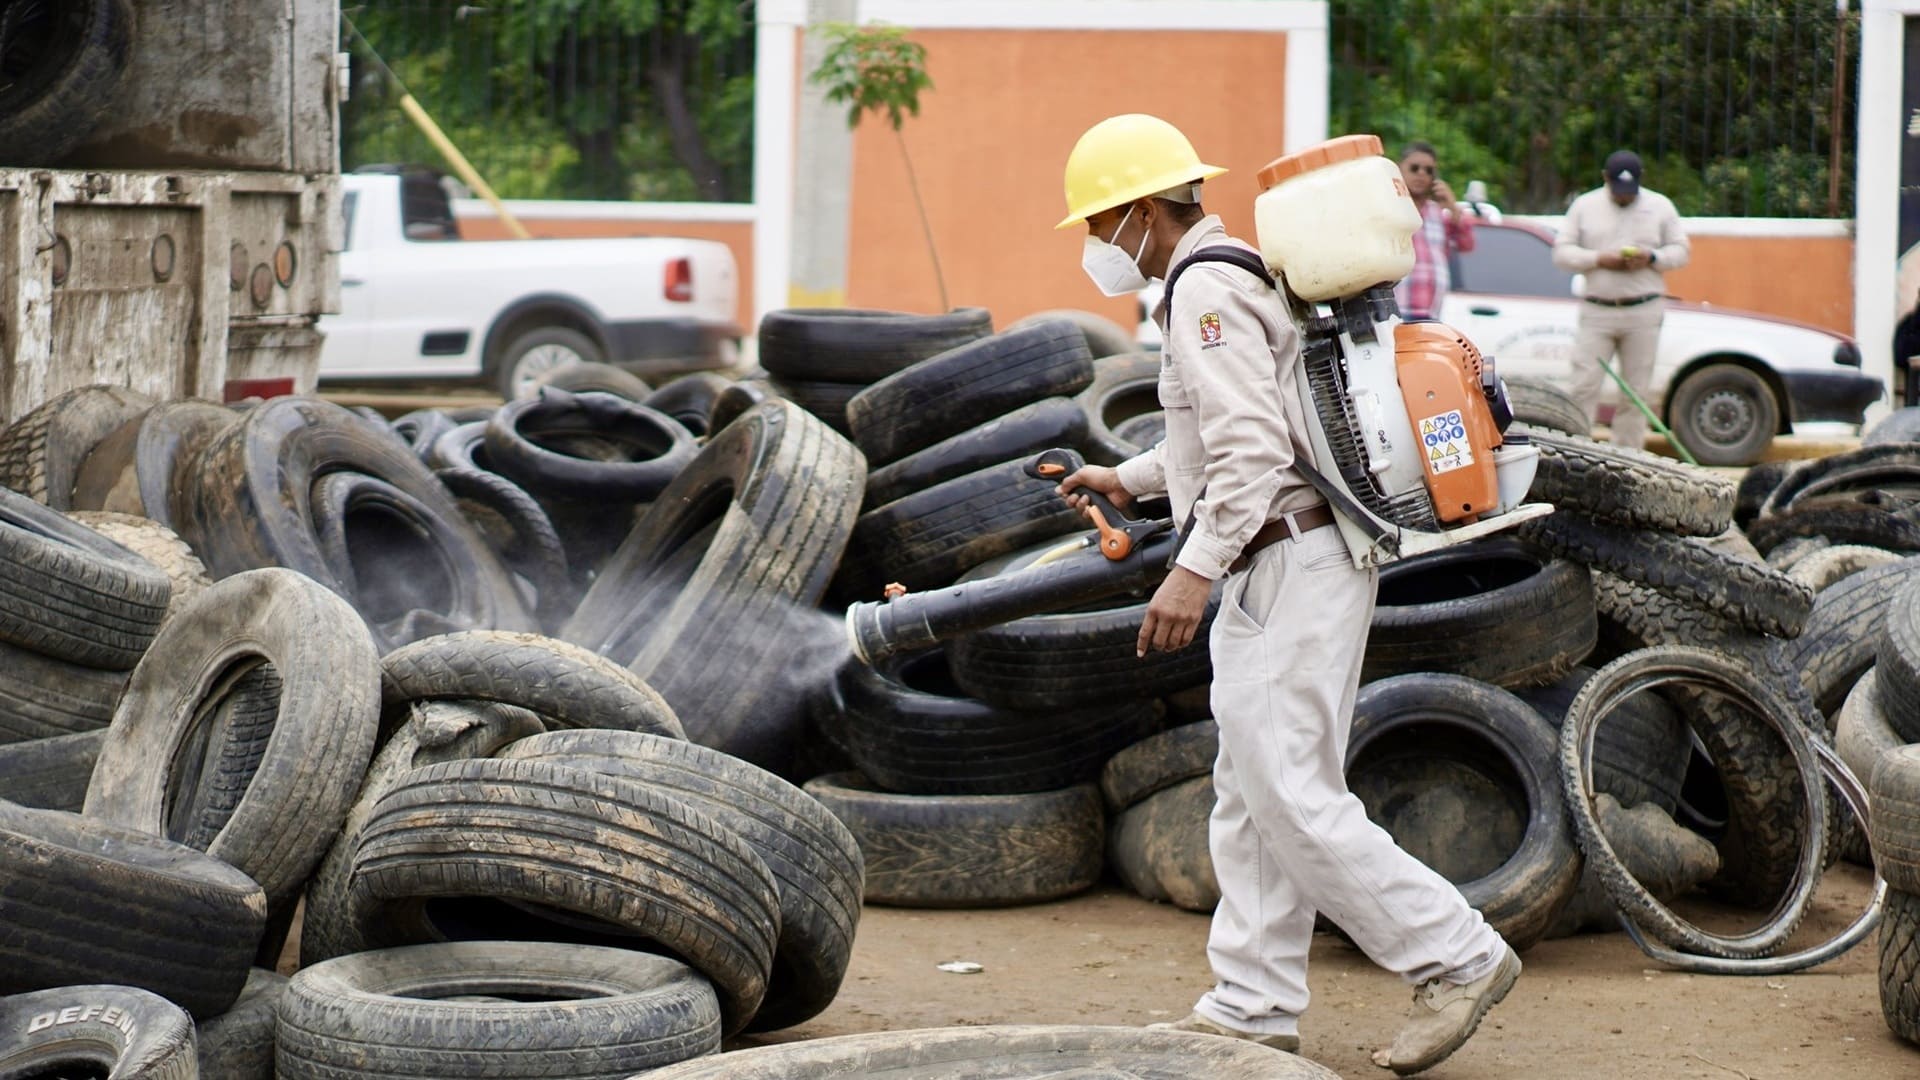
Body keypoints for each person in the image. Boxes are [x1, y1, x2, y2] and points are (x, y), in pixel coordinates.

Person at [1050, 113, 1519, 1075]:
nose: (1098, 249)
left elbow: (1254, 452)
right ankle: (1252, 1004)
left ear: (1142, 211)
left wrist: (1192, 572)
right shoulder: (1236, 271)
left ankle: (1458, 957)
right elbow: (1243, 424)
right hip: (1294, 556)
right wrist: (1128, 481)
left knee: (1292, 795)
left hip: (1282, 558)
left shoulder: (1203, 293)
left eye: (1101, 226)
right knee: (1252, 793)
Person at [1551, 149, 1690, 449]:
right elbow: (1562, 253)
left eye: (1630, 190)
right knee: (1584, 386)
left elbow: (1681, 251)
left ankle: (1628, 460)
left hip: (1643, 309)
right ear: (1605, 179)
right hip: (1597, 309)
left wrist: (1651, 256)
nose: (1624, 197)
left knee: (1635, 392)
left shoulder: (1660, 206)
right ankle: (1576, 452)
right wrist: (1599, 258)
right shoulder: (1584, 205)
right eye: (1618, 190)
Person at [1392, 140, 1475, 320]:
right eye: (1414, 168)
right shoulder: (1391, 207)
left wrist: (1452, 206)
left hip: (1431, 312)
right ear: (1399, 170)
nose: (1421, 174)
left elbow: (1466, 244)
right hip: (1396, 310)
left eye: (1428, 170)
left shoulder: (1438, 213)